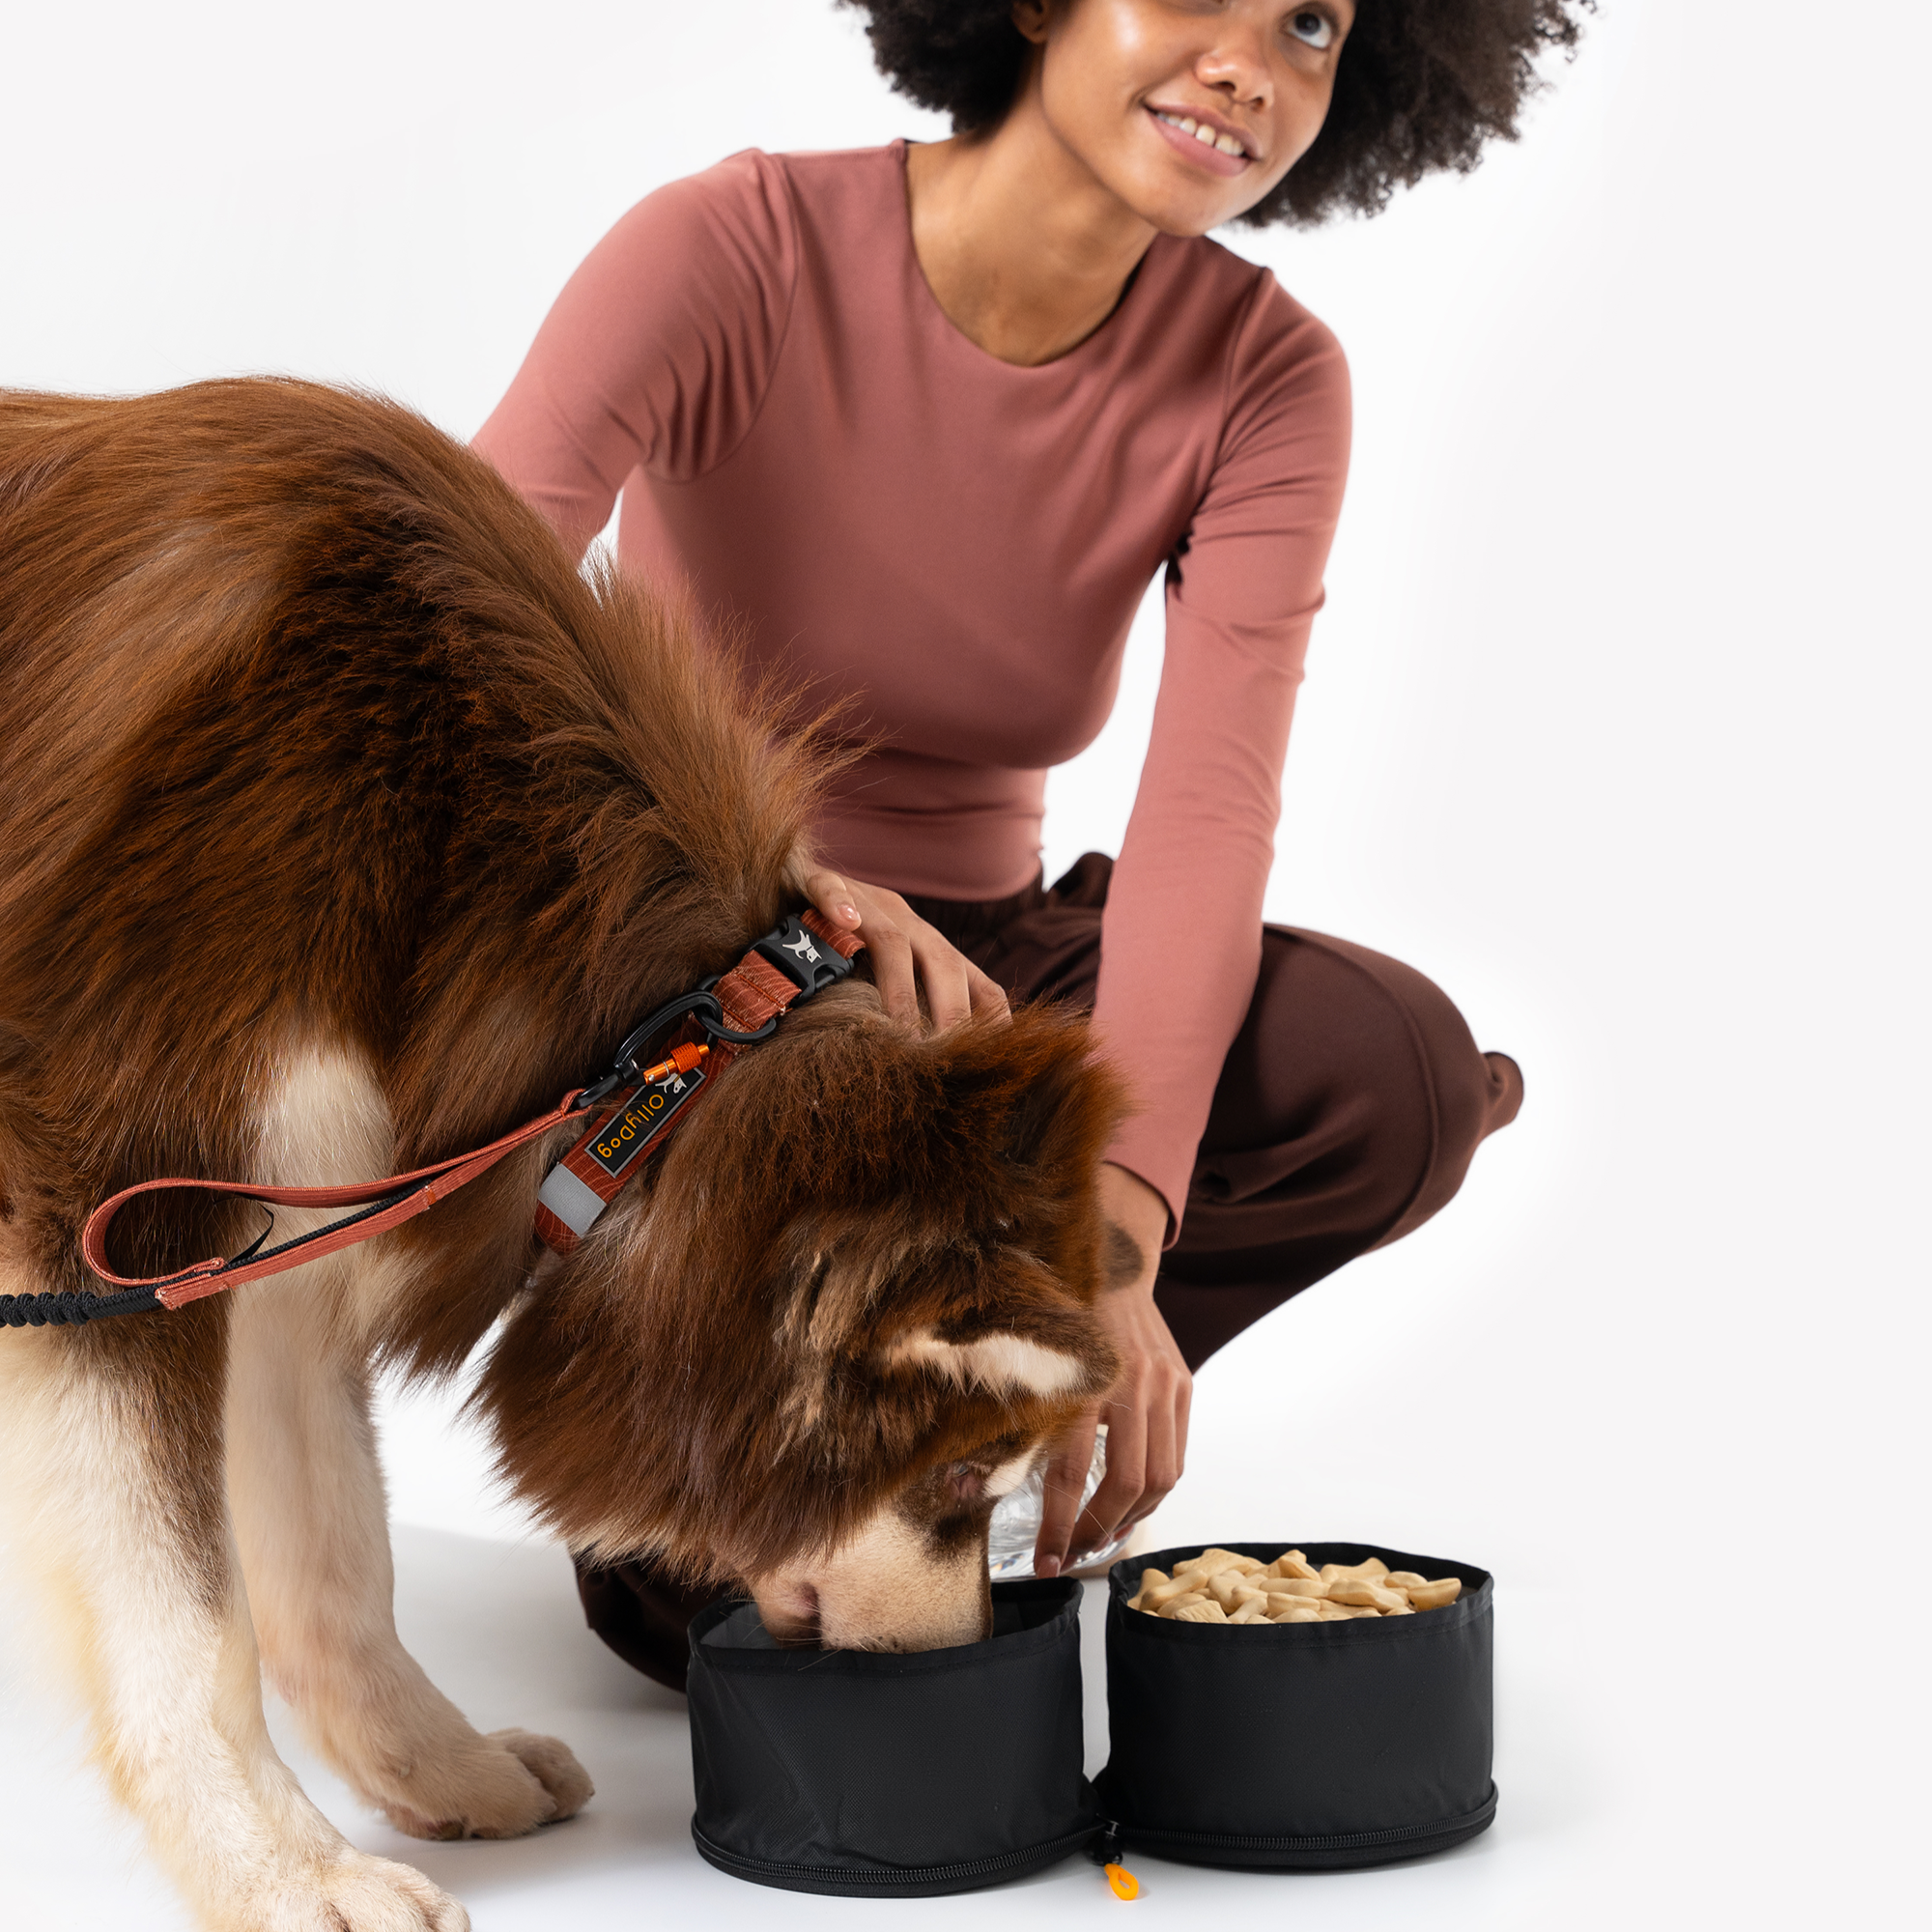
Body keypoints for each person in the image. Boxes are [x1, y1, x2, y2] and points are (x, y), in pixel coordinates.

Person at [475, 0, 1579, 1689]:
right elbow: (460, 634)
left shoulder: (1270, 376)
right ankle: (756, 1444)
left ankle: (942, 1443)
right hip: (714, 968)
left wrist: (1113, 1250)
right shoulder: (733, 244)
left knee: (1406, 1078)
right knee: (673, 1615)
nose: (1249, 65)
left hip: (988, 965)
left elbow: (1207, 808)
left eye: (1310, 23)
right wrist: (792, 888)